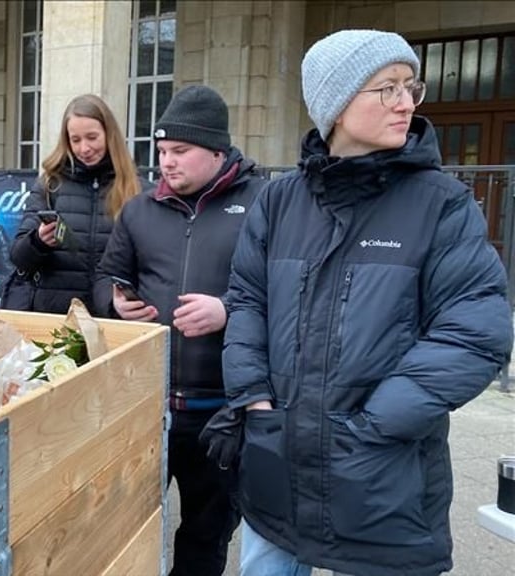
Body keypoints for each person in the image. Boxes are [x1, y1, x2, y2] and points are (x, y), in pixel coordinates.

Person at [219, 29, 513, 576]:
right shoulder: (279, 201)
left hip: (384, 480)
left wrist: (374, 426)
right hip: (277, 469)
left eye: (410, 86)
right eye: (387, 88)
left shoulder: (441, 205)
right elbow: (246, 303)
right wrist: (254, 400)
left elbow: (475, 333)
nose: (406, 103)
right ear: (335, 103)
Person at [94, 85, 265, 576]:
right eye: (162, 150)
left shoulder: (263, 204)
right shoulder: (139, 210)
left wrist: (228, 310)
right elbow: (106, 277)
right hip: (148, 409)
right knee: (126, 531)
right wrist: (114, 303)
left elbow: (286, 292)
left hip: (223, 414)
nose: (166, 162)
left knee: (204, 540)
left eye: (180, 151)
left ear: (217, 151)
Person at [2, 93, 143, 315]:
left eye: (92, 137)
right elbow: (18, 257)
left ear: (110, 135)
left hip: (112, 320)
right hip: (54, 320)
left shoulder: (137, 189)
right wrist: (38, 242)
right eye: (75, 140)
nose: (84, 148)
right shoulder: (50, 185)